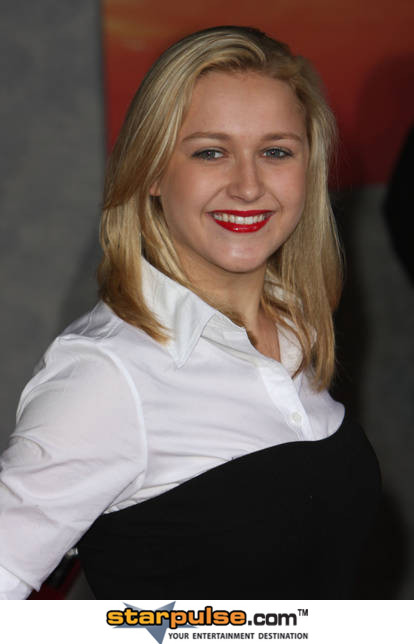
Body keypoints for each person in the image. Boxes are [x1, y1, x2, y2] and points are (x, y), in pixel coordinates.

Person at [0, 25, 381, 599]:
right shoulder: (108, 375)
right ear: (152, 171)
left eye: (276, 152)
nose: (248, 186)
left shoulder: (297, 326)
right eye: (211, 152)